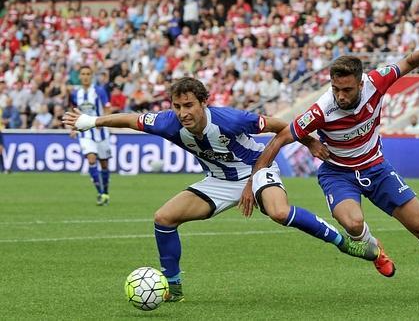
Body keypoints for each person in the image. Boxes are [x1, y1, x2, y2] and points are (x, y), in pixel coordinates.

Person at [63, 77, 381, 303]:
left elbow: (280, 125)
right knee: (163, 217)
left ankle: (344, 244)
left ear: (204, 102)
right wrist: (92, 121)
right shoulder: (168, 122)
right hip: (218, 181)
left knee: (278, 211)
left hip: (257, 169)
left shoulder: (230, 119)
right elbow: (132, 120)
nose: (183, 112)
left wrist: (309, 140)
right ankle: (173, 287)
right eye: (177, 106)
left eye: (189, 105)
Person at [240, 23, 419, 302]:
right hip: (338, 173)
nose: (340, 95)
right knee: (353, 224)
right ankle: (376, 250)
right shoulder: (321, 110)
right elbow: (280, 139)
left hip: (376, 167)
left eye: (346, 89)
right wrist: (253, 180)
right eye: (335, 89)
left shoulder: (377, 82)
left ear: (360, 82)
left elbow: (408, 62)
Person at [70, 65, 112, 206]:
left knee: (104, 164)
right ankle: (100, 193)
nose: (85, 76)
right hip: (85, 133)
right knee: (91, 159)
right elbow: (74, 111)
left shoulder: (99, 91)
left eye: (88, 73)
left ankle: (105, 191)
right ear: (80, 76)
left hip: (101, 132)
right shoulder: (76, 93)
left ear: (92, 76)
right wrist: (73, 127)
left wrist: (103, 121)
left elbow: (107, 107)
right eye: (83, 73)